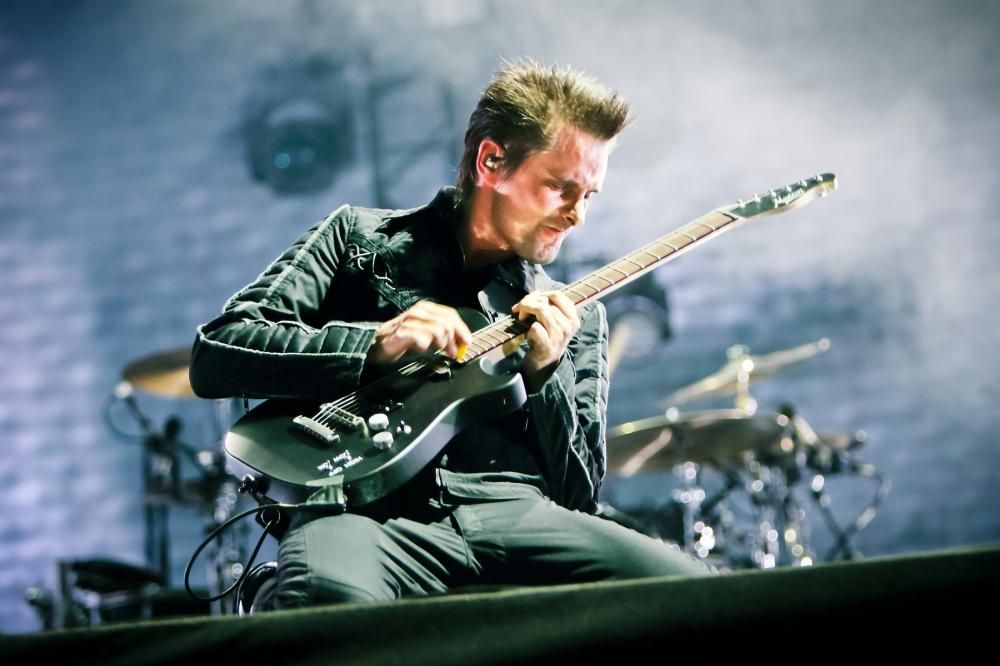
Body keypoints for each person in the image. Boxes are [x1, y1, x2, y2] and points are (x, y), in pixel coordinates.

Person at [189, 59, 714, 609]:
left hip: (517, 514)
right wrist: (373, 344)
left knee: (702, 598)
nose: (577, 215)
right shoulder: (356, 239)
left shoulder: (576, 317)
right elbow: (218, 350)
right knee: (327, 598)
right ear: (492, 162)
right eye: (561, 188)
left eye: (589, 195)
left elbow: (576, 499)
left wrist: (545, 376)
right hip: (362, 511)